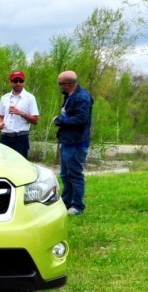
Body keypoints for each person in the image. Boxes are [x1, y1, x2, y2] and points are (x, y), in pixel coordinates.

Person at [53, 70, 93, 216]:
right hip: (67, 140)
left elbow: (80, 120)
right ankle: (66, 202)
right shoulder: (69, 96)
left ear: (67, 84)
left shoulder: (82, 98)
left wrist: (60, 121)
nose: (60, 86)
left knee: (75, 175)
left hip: (77, 142)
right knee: (65, 174)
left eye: (60, 84)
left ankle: (78, 206)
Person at [0, 70, 39, 159]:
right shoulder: (4, 98)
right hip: (5, 137)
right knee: (3, 164)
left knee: (20, 166)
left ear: (24, 81)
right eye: (15, 81)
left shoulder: (30, 98)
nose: (18, 83)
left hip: (20, 138)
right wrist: (0, 123)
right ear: (10, 82)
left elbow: (35, 120)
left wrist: (21, 113)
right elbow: (0, 116)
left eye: (21, 81)